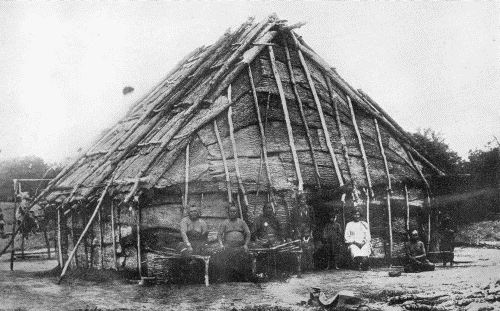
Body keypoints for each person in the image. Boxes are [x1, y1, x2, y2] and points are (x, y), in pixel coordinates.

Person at [214, 204, 253, 282]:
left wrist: (246, 245)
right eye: (231, 211)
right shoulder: (225, 223)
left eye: (234, 211)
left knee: (244, 258)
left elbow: (248, 233)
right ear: (228, 213)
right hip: (228, 246)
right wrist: (221, 245)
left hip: (240, 246)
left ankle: (243, 277)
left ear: (237, 212)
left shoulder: (242, 222)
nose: (232, 213)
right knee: (223, 257)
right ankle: (226, 277)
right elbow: (219, 235)